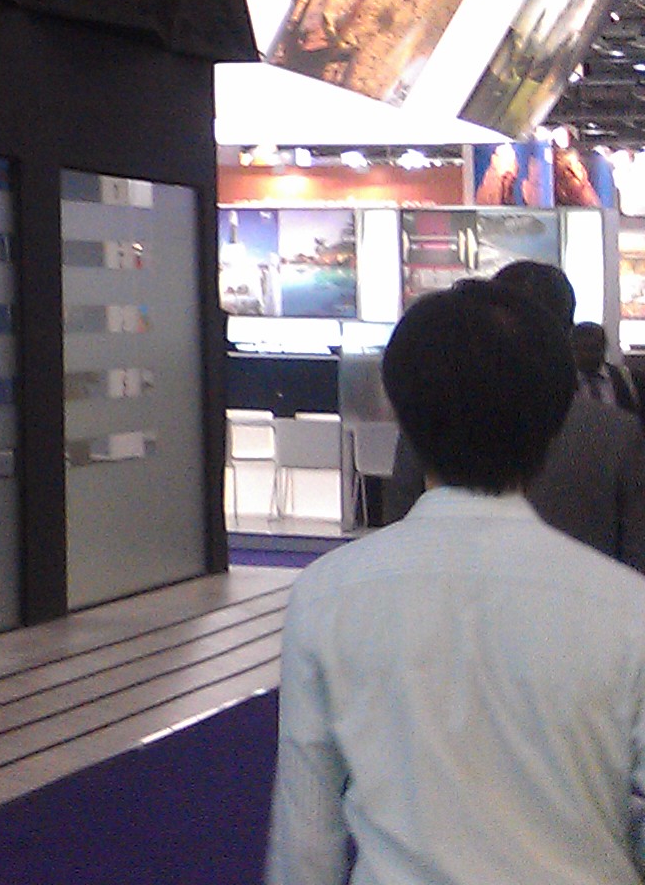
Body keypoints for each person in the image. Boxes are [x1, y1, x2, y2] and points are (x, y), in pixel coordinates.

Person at [267, 278, 645, 884]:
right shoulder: (625, 608)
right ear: (554, 421)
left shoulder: (328, 594)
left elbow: (306, 837)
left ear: (404, 416)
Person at [383, 260, 645, 563]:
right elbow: (636, 552)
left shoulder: (434, 416)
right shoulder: (615, 433)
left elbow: (397, 526)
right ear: (566, 333)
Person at [579, 321, 641, 414]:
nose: (587, 355)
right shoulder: (564, 381)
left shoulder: (625, 378)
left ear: (604, 348)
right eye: (583, 348)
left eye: (593, 348)